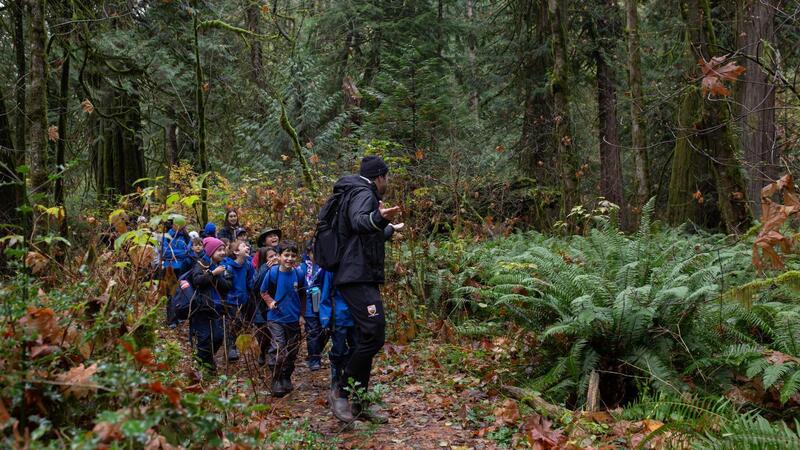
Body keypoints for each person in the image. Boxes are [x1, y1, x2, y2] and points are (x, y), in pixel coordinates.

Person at [328, 155, 403, 423]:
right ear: (379, 176)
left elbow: (360, 235)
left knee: (364, 338)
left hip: (359, 274)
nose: (387, 182)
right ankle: (341, 391)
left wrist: (387, 228)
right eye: (387, 177)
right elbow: (359, 221)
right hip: (356, 276)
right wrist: (378, 216)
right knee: (374, 333)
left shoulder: (357, 191)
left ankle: (360, 403)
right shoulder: (363, 192)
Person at [259, 241, 307, 397]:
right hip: (275, 318)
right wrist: (270, 302)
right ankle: (276, 378)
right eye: (286, 255)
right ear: (279, 256)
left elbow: (303, 294)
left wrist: (302, 315)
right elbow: (263, 291)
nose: (289, 258)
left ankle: (286, 376)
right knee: (278, 346)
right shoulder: (273, 273)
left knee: (293, 349)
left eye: (293, 255)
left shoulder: (299, 274)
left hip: (293, 318)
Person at [190, 237, 231, 374]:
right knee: (204, 337)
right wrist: (212, 273)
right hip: (203, 307)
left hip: (218, 308)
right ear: (211, 251)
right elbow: (197, 280)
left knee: (218, 337)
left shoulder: (224, 266)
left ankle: (206, 360)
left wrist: (218, 275)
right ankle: (203, 367)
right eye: (219, 250)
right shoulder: (201, 264)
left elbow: (228, 285)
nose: (223, 252)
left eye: (223, 249)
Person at [319, 269, 355, 408]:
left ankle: (351, 379)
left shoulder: (356, 267)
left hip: (355, 316)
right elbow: (325, 294)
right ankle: (336, 378)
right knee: (339, 350)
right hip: (338, 317)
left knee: (356, 350)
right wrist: (325, 318)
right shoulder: (331, 270)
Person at [222, 239, 254, 362]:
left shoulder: (248, 265)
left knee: (242, 324)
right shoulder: (229, 267)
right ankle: (231, 348)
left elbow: (250, 281)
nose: (247, 247)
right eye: (243, 246)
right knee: (234, 323)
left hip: (244, 300)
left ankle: (238, 347)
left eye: (247, 246)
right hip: (231, 301)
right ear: (236, 252)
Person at [252, 246, 279, 366]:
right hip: (261, 307)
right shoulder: (261, 270)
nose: (274, 258)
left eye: (275, 255)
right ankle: (262, 352)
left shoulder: (281, 268)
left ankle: (273, 357)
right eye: (270, 257)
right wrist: (265, 268)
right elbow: (255, 286)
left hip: (276, 306)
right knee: (263, 334)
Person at [300, 243, 325, 371]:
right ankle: (314, 360)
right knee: (312, 332)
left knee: (325, 331)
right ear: (308, 253)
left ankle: (316, 352)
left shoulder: (326, 267)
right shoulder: (302, 267)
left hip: (323, 302)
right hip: (309, 304)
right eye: (313, 253)